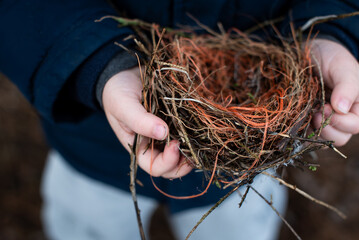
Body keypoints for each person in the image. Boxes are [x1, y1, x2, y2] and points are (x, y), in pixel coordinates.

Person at [0, 0, 358, 239]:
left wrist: (331, 32)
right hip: (94, 143)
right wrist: (96, 63)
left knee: (236, 226)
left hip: (242, 165)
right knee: (88, 225)